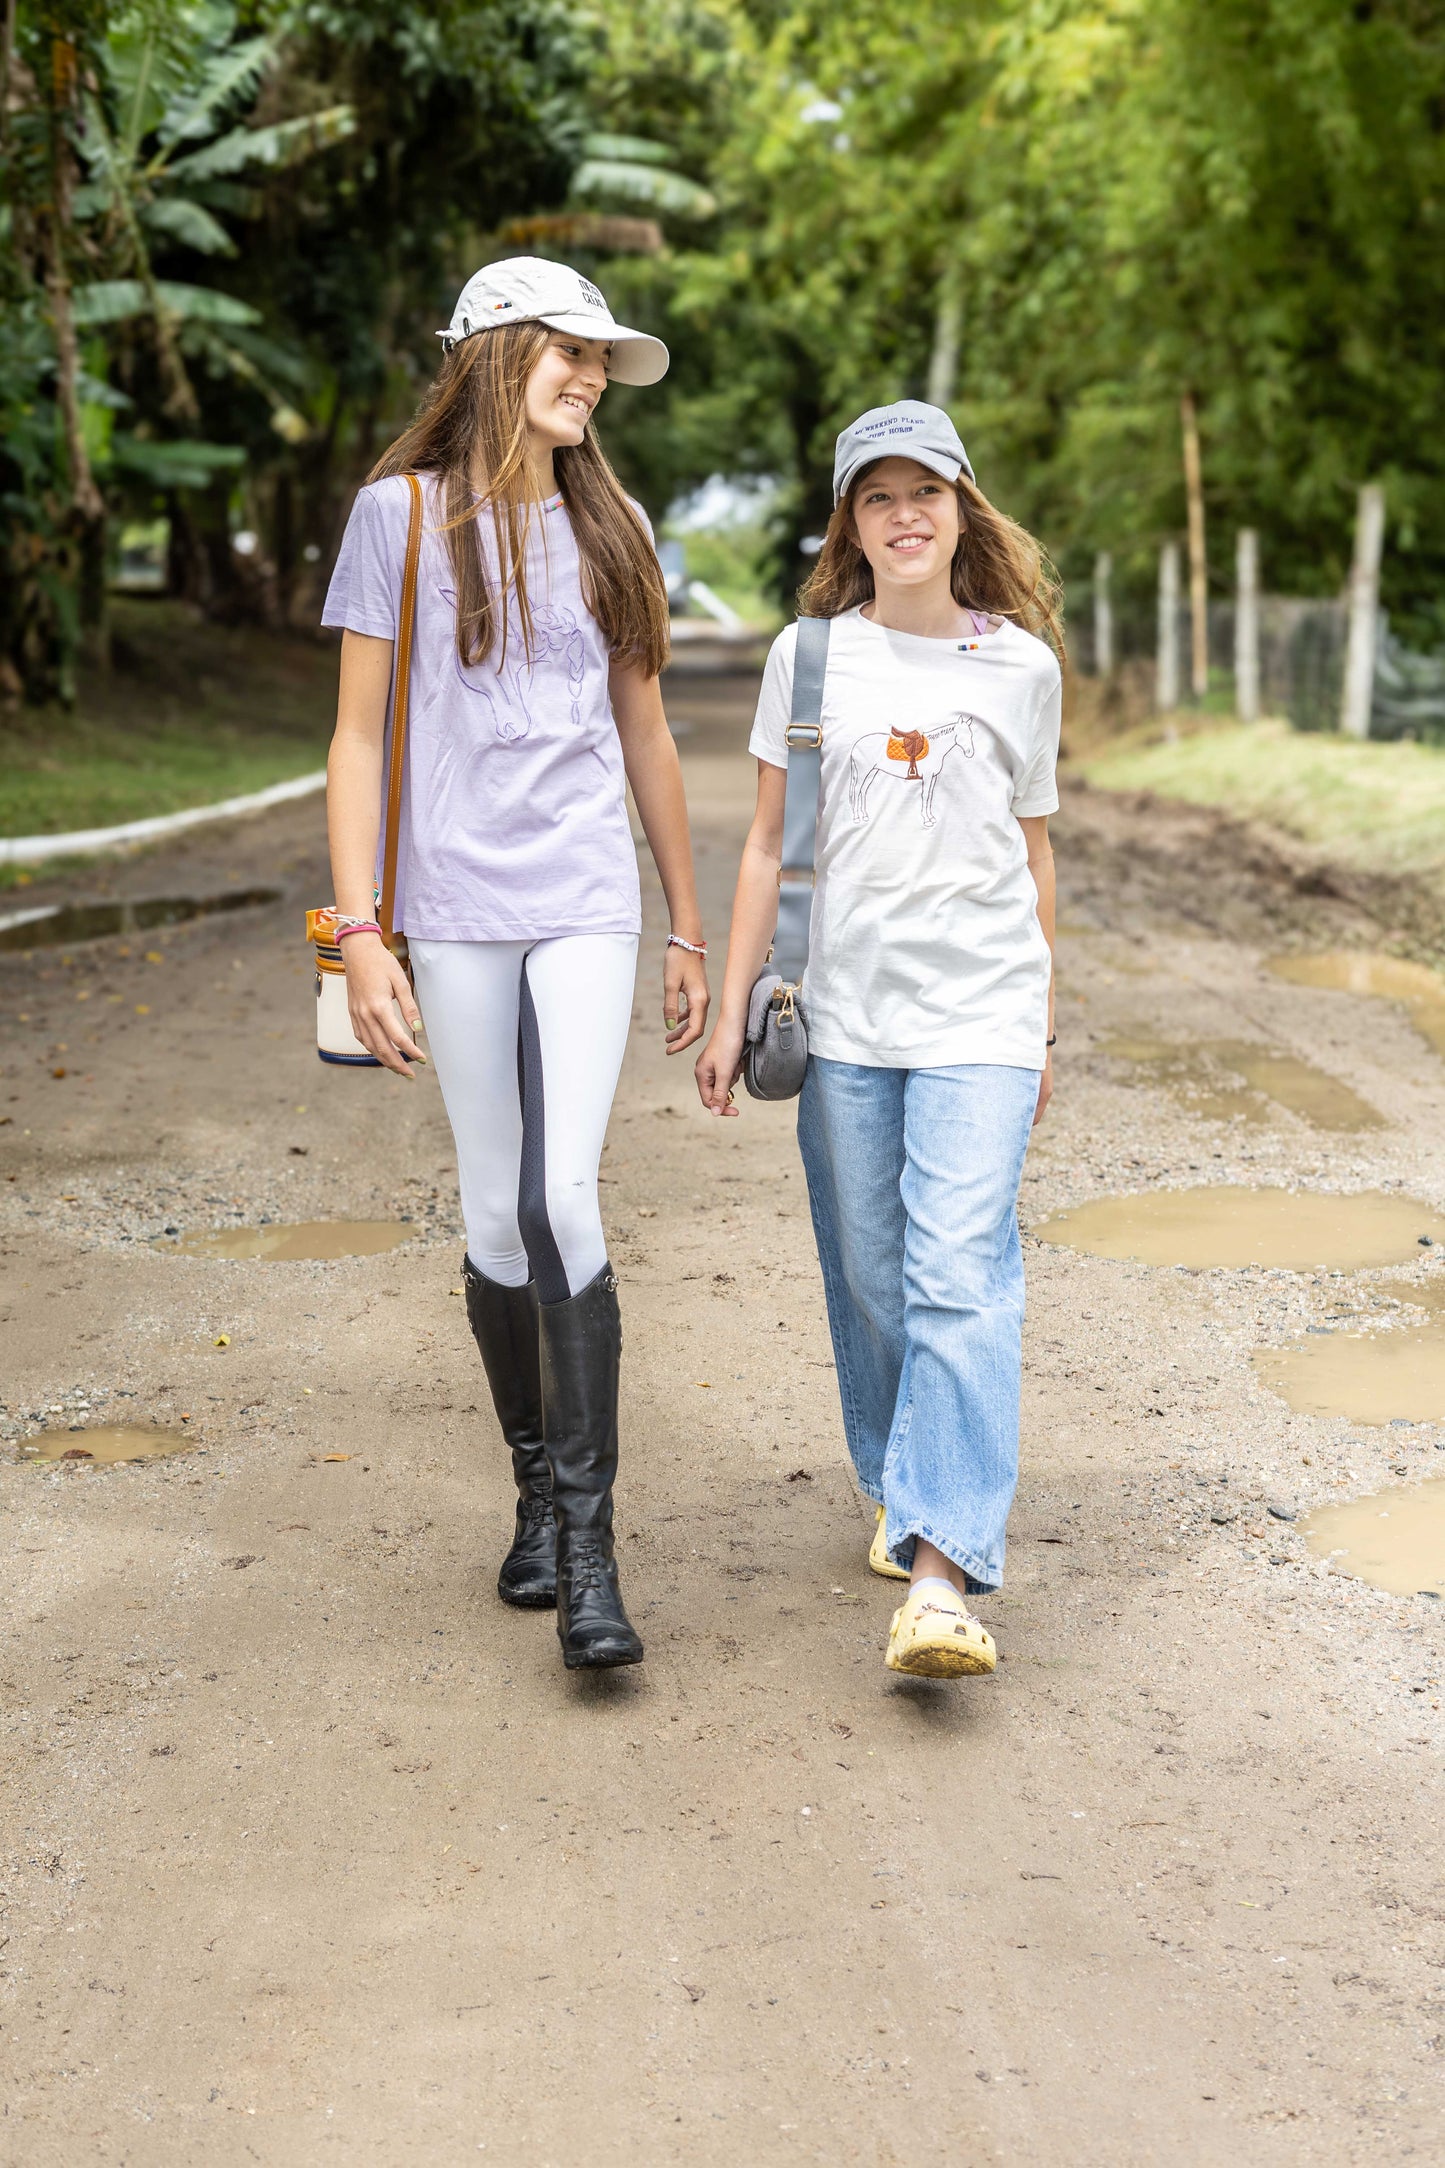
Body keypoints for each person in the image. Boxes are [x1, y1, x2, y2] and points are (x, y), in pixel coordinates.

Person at [323, 258, 709, 1671]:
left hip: (586, 896)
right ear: (492, 355)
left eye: (604, 360)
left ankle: (595, 1560)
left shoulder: (614, 525)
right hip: (454, 904)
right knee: (493, 1211)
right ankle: (537, 1498)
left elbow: (649, 737)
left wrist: (685, 925)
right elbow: (358, 740)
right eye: (572, 351)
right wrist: (356, 934)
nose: (594, 376)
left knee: (563, 1188)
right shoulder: (399, 519)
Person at [695, 400, 1061, 1679]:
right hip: (843, 1016)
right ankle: (903, 1479)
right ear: (850, 523)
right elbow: (760, 844)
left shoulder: (1019, 664)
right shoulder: (808, 658)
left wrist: (1042, 1016)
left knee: (959, 1272)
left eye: (926, 491)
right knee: (869, 1273)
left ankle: (944, 1572)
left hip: (982, 1015)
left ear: (963, 506)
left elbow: (1032, 845)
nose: (904, 515)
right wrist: (735, 997)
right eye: (875, 495)